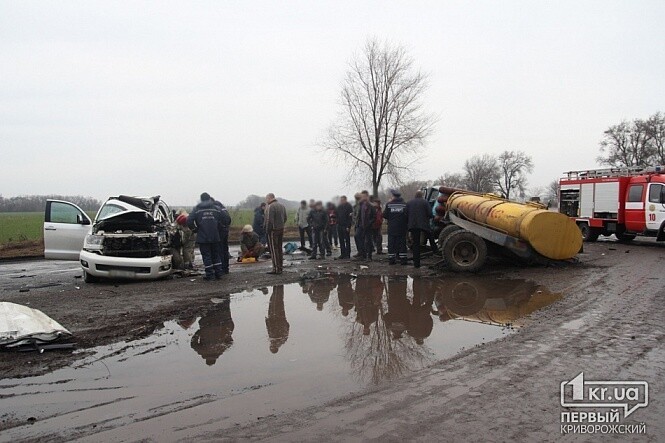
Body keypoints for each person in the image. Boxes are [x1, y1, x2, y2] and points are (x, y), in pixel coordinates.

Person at [187, 192, 225, 280]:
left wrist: (195, 229)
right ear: (209, 198)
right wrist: (219, 227)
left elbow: (189, 221)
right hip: (215, 236)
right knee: (216, 255)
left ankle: (210, 275)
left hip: (202, 237)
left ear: (201, 199)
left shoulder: (197, 209)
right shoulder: (216, 208)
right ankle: (219, 273)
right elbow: (225, 218)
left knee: (206, 256)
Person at [406, 190, 439, 268]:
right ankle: (435, 251)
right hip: (424, 225)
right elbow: (430, 214)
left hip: (413, 226)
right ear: (421, 195)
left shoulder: (409, 203)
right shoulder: (425, 202)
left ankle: (416, 263)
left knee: (416, 244)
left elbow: (406, 214)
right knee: (431, 237)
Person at [264, 193, 288, 275]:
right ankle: (280, 267)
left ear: (269, 198)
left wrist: (267, 230)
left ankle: (276, 269)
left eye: (266, 199)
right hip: (281, 229)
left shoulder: (271, 206)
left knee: (274, 250)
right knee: (279, 248)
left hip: (273, 230)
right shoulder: (282, 206)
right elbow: (285, 218)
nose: (266, 201)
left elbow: (269, 220)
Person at [383, 189, 409, 265]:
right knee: (402, 244)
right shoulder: (404, 204)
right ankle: (403, 260)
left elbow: (385, 215)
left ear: (393, 196)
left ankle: (392, 260)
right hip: (402, 228)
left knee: (391, 244)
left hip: (392, 228)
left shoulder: (389, 204)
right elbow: (407, 215)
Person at [265, 285, 290, 353]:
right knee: (275, 301)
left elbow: (288, 326)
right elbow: (270, 328)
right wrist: (267, 321)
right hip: (275, 318)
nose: (271, 345)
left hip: (280, 318)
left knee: (278, 301)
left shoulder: (282, 340)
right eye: (271, 346)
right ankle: (277, 285)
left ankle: (278, 286)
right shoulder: (276, 339)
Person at [354, 190, 376, 261]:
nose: (362, 198)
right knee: (357, 236)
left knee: (368, 240)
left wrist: (370, 223)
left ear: (367, 196)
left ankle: (369, 256)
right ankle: (362, 254)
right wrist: (357, 223)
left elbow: (374, 216)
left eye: (363, 196)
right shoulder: (360, 204)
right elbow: (359, 215)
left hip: (368, 225)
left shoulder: (371, 206)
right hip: (361, 225)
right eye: (361, 196)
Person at [212, 198, 232, 275]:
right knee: (225, 250)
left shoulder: (216, 209)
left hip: (219, 232)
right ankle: (226, 268)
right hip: (225, 231)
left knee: (219, 250)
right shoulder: (223, 209)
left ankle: (220, 268)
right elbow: (229, 220)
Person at [335, 195, 354, 260]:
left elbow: (350, 218)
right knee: (341, 240)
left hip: (346, 226)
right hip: (339, 225)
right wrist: (337, 222)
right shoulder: (339, 207)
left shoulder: (349, 207)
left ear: (345, 200)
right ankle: (342, 254)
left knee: (347, 240)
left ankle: (347, 254)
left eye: (343, 200)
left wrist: (348, 226)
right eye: (341, 200)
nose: (341, 201)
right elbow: (336, 215)